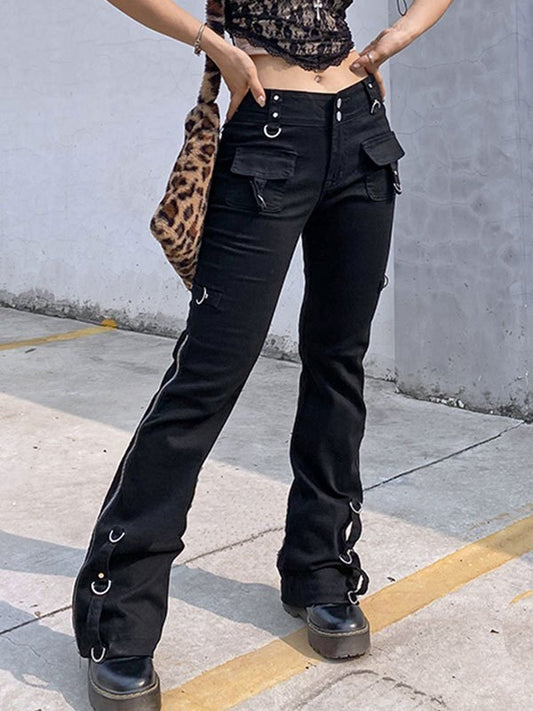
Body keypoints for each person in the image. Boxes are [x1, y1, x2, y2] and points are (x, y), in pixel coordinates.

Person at [72, 1, 455, 709]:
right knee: (207, 376)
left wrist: (396, 38)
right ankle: (116, 612)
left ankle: (320, 568)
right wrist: (210, 42)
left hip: (362, 134)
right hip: (267, 131)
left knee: (339, 364)